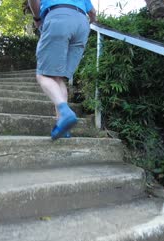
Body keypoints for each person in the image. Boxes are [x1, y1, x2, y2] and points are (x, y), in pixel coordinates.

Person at [28, 0, 97, 140]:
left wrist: (37, 18)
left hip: (58, 17)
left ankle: (65, 112)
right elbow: (93, 13)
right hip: (82, 23)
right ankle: (63, 127)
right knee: (58, 78)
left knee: (43, 75)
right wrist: (86, 24)